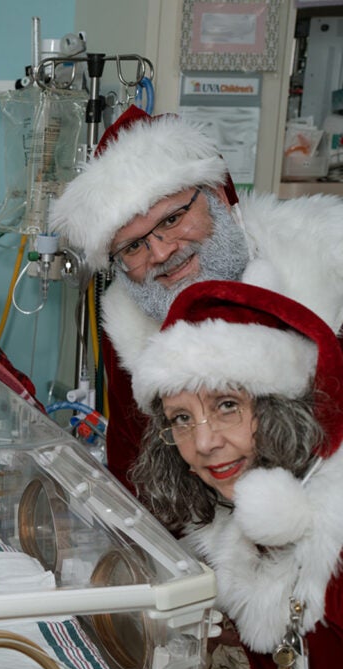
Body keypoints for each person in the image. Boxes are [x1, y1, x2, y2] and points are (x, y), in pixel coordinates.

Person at [48, 105, 343, 489]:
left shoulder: (331, 265)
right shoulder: (129, 327)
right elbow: (135, 469)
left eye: (171, 220)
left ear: (219, 196)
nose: (161, 252)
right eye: (134, 246)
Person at [130, 280, 343, 669]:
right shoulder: (235, 538)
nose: (203, 443)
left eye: (227, 405)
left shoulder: (333, 543)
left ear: (278, 408)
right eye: (181, 418)